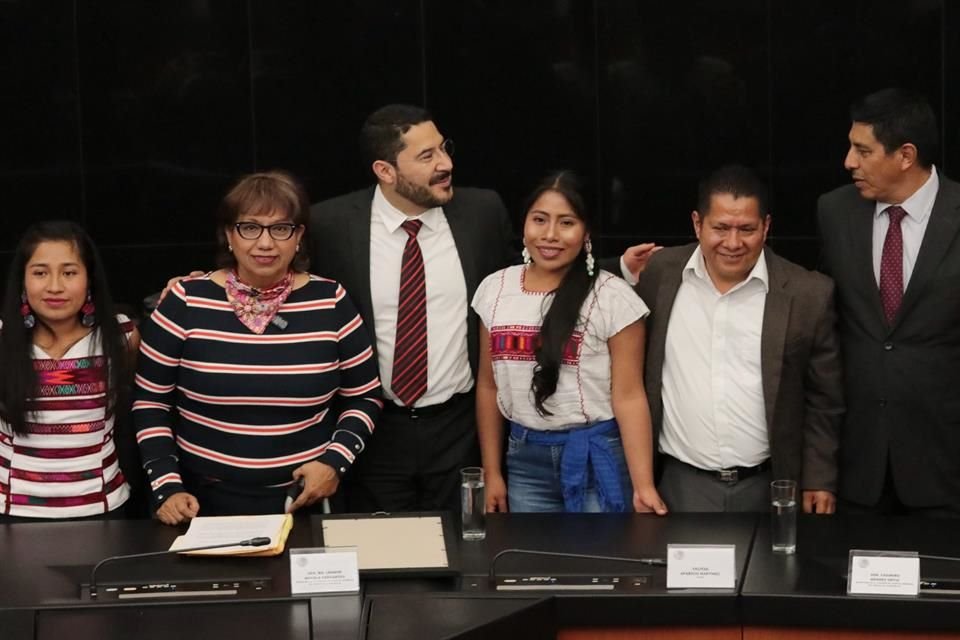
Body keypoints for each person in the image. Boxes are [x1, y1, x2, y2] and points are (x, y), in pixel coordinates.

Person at [134, 171, 381, 525]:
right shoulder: (184, 302)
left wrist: (333, 463)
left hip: (305, 502)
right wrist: (167, 487)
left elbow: (365, 396)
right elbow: (150, 403)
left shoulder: (332, 301)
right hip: (201, 505)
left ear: (299, 237)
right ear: (229, 236)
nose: (265, 243)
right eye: (250, 227)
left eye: (281, 229)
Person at [309, 104, 515, 513]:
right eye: (427, 156)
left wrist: (617, 267)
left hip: (460, 430)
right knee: (381, 560)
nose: (446, 164)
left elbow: (528, 274)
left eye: (443, 148)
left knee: (464, 556)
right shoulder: (330, 224)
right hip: (372, 432)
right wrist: (211, 282)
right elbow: (282, 279)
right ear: (385, 171)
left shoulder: (482, 213)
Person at [638, 165, 843, 513]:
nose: (733, 243)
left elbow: (825, 399)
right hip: (678, 485)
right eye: (720, 228)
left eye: (746, 229)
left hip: (771, 485)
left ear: (766, 227)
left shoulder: (808, 293)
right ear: (697, 224)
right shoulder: (660, 275)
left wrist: (819, 479)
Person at [472, 171, 666, 514]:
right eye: (539, 220)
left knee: (602, 565)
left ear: (586, 231)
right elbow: (489, 387)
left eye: (566, 222)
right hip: (524, 460)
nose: (550, 235)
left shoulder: (612, 297)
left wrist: (643, 485)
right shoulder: (495, 290)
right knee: (533, 565)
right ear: (524, 224)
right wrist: (492, 471)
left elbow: (630, 395)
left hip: (596, 453)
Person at [818, 88, 960, 516]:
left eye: (862, 150)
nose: (849, 162)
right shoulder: (834, 212)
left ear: (906, 155)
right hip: (858, 466)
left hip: (945, 464)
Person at [0, 221, 140, 520]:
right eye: (40, 273)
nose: (54, 286)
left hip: (104, 509)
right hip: (11, 513)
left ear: (89, 279)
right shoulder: (2, 339)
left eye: (69, 272)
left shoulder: (121, 335)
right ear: (23, 281)